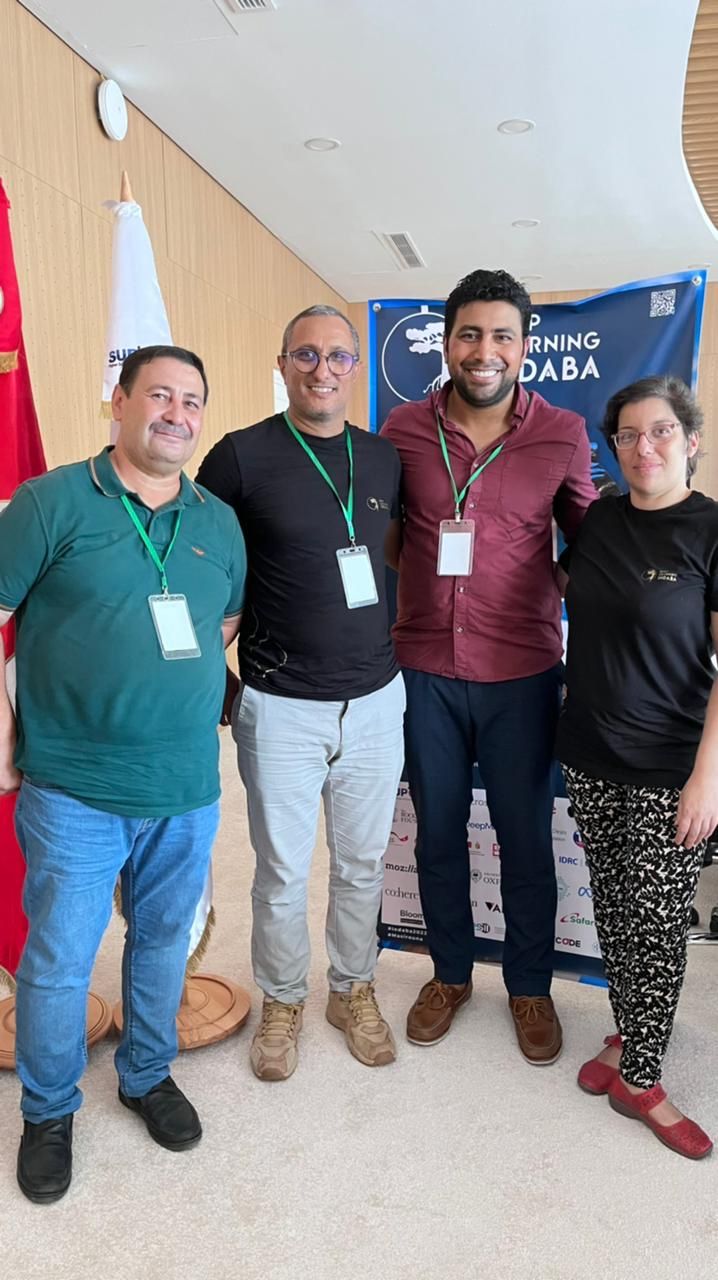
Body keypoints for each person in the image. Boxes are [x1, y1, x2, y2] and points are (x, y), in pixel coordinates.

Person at [0, 346, 247, 1203]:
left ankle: (146, 1075)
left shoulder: (217, 520)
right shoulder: (50, 502)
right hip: (74, 785)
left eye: (192, 401)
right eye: (160, 396)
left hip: (185, 784)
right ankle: (48, 1110)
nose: (176, 414)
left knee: (162, 944)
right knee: (63, 958)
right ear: (118, 401)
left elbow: (222, 625)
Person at [381, 269, 595, 1062]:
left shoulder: (563, 433)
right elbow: (393, 536)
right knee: (436, 832)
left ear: (525, 347)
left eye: (502, 335)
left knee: (525, 836)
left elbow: (586, 546)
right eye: (470, 333)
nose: (485, 350)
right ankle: (449, 973)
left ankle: (531, 987)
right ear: (447, 342)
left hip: (523, 672)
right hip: (425, 668)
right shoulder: (402, 428)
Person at [197, 305, 405, 1080]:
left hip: (378, 701)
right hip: (280, 703)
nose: (324, 369)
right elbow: (199, 562)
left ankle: (350, 987)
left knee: (361, 863)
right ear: (282, 365)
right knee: (283, 869)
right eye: (306, 355)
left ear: (356, 368)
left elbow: (402, 562)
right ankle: (283, 996)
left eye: (339, 357)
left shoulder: (384, 459)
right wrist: (205, 672)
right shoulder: (240, 457)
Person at [557, 375, 717, 1159]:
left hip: (671, 767)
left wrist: (707, 778)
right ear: (612, 447)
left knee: (657, 927)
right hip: (590, 753)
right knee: (616, 910)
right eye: (627, 434)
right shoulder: (599, 521)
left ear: (690, 441)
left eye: (659, 432)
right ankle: (629, 1031)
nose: (643, 447)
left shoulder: (710, 530)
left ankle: (643, 1079)